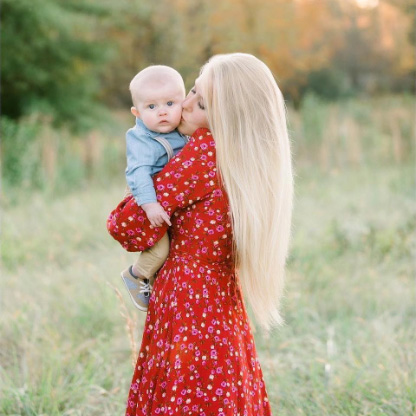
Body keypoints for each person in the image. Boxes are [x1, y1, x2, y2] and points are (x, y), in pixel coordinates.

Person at [107, 53, 294, 416]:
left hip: (188, 298)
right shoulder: (246, 157)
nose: (186, 105)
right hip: (221, 297)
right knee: (222, 390)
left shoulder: (203, 154)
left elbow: (127, 227)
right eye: (193, 89)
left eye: (203, 103)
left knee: (185, 394)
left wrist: (142, 193)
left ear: (227, 116)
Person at [121, 65, 189, 312]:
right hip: (148, 203)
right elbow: (137, 173)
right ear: (136, 113)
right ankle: (136, 275)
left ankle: (159, 285)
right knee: (160, 250)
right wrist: (150, 205)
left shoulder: (182, 128)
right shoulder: (141, 139)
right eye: (152, 107)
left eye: (170, 103)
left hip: (168, 203)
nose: (162, 112)